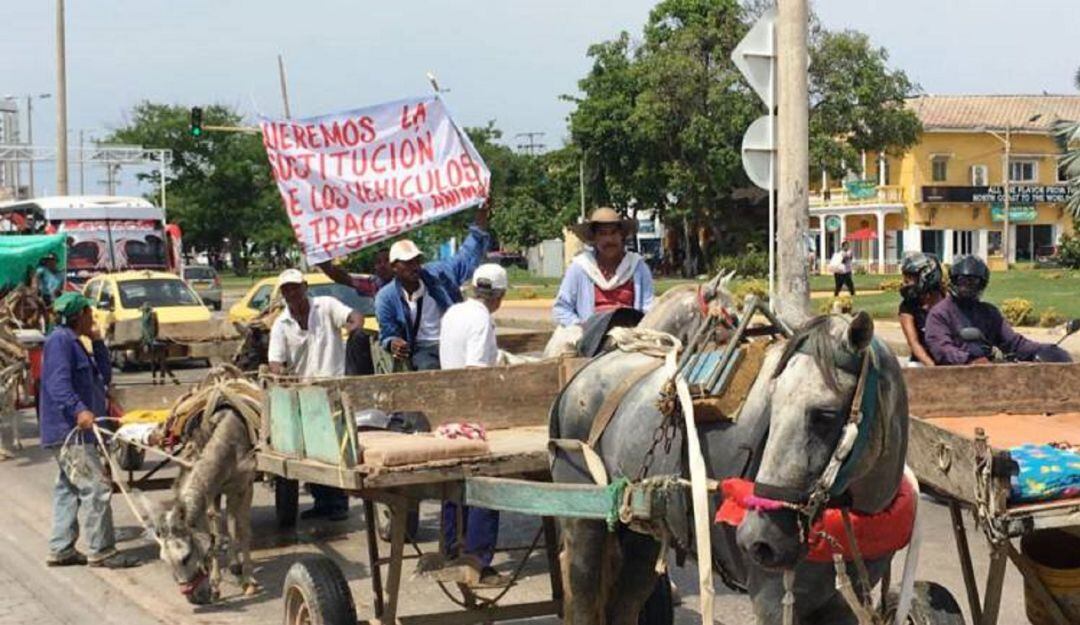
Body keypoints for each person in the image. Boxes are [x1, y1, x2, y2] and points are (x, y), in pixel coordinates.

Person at [40, 292, 138, 568]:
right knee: (96, 487)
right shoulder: (60, 341)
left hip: (78, 431)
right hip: (71, 432)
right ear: (79, 315)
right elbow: (58, 384)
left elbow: (104, 377)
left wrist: (97, 341)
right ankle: (102, 550)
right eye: (90, 314)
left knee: (68, 488)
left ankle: (61, 549)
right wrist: (79, 410)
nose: (93, 318)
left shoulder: (77, 342)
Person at [268, 269, 365, 520]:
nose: (291, 293)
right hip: (306, 392)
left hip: (335, 387)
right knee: (314, 453)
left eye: (295, 287)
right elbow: (275, 362)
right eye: (286, 290)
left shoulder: (326, 306)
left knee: (336, 448)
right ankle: (324, 502)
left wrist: (353, 331)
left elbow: (354, 317)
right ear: (283, 294)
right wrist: (280, 377)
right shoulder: (281, 324)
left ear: (305, 287)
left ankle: (338, 503)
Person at [435, 264, 508, 585]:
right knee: (488, 483)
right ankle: (477, 559)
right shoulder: (481, 319)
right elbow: (476, 372)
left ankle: (452, 547)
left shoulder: (453, 312)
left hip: (447, 412)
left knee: (455, 482)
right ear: (499, 297)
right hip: (471, 412)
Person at [375, 204, 491, 371]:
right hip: (424, 349)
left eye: (417, 261)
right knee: (428, 370)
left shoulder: (439, 275)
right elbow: (387, 333)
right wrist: (394, 343)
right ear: (394, 267)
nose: (414, 266)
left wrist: (481, 213)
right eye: (407, 263)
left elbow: (467, 255)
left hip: (454, 341)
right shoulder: (385, 298)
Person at [924, 255, 1051, 365]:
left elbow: (1014, 343)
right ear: (954, 280)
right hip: (950, 377)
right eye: (963, 280)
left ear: (982, 284)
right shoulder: (939, 313)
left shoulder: (989, 312)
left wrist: (1044, 350)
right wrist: (969, 360)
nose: (968, 286)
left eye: (974, 282)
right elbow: (942, 350)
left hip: (989, 373)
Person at [553, 207, 654, 326]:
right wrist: (579, 328)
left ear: (622, 235)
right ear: (594, 238)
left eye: (613, 233)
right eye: (602, 234)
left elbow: (649, 308)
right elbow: (562, 308)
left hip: (630, 336)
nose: (609, 239)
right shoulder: (580, 267)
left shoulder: (637, 267)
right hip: (589, 335)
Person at [897, 252, 946, 367]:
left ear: (927, 276)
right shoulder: (908, 306)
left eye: (909, 278)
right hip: (921, 362)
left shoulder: (948, 302)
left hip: (950, 358)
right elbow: (914, 343)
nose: (905, 283)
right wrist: (933, 368)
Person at [317, 247, 394, 297]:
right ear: (375, 266)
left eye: (387, 260)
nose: (382, 265)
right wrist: (319, 256)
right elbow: (342, 278)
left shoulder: (404, 281)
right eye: (378, 262)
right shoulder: (373, 285)